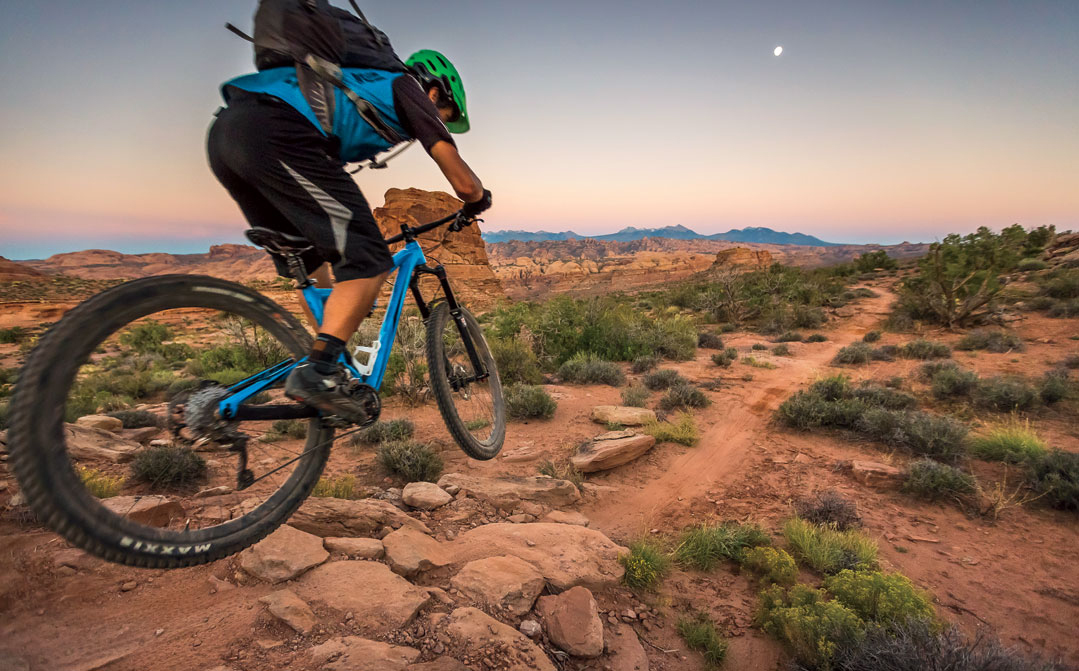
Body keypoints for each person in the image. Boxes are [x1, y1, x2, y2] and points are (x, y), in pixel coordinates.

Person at [207, 49, 490, 422]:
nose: (437, 120)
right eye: (443, 115)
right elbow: (463, 182)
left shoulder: (355, 90)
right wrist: (477, 200)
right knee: (371, 262)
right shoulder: (407, 88)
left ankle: (329, 367)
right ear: (434, 92)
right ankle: (319, 370)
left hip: (227, 137)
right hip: (276, 132)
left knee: (314, 268)